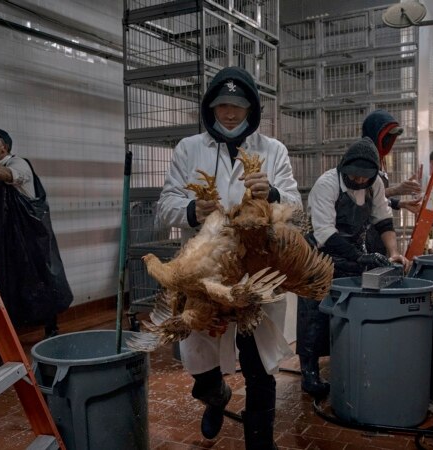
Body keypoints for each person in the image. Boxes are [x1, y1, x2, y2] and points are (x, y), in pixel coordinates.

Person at [156, 66, 300, 449]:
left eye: (238, 105)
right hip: (207, 271)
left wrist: (272, 196)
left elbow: (295, 206)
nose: (231, 113)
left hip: (257, 271)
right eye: (222, 105)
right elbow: (166, 205)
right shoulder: (189, 149)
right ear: (210, 107)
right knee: (199, 356)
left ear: (252, 108)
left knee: (258, 364)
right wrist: (191, 211)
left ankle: (260, 442)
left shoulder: (273, 151)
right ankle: (215, 395)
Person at [295, 137, 410, 398]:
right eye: (354, 175)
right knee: (314, 314)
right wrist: (361, 258)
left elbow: (383, 220)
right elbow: (325, 233)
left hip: (352, 254)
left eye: (364, 177)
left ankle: (345, 361)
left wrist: (393, 253)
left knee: (347, 309)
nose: (359, 180)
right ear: (343, 168)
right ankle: (309, 373)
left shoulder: (374, 184)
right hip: (319, 255)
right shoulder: (327, 185)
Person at [0, 126, 72, 341]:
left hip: (31, 236)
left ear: (4, 147)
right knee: (7, 281)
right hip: (2, 238)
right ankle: (7, 333)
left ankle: (51, 327)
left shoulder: (18, 163)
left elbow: (10, 176)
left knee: (42, 276)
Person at [361, 109, 422, 254]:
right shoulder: (363, 159)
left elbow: (378, 199)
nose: (389, 141)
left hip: (378, 228)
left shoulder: (380, 159)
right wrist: (396, 190)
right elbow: (363, 195)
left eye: (392, 137)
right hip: (364, 231)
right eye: (386, 136)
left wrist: (400, 203)